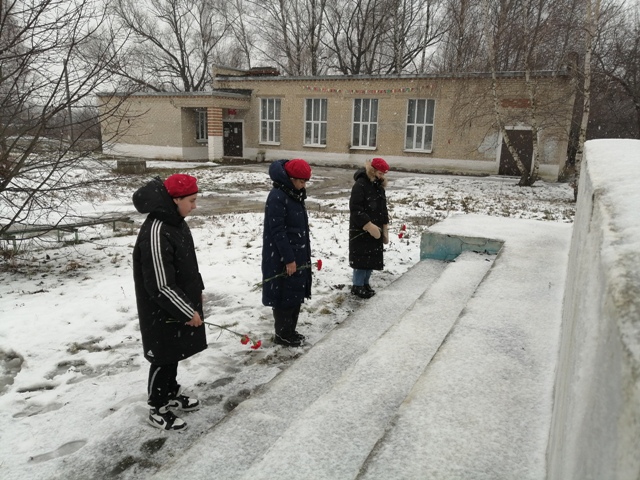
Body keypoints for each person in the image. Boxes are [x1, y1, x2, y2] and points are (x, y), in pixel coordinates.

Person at [132, 173, 207, 431]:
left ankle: (170, 393)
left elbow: (185, 263)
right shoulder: (157, 230)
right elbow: (161, 284)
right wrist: (187, 310)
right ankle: (157, 407)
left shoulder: (176, 221)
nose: (195, 206)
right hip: (161, 309)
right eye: (192, 200)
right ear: (175, 199)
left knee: (174, 351)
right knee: (162, 356)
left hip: (177, 304)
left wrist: (197, 290)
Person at [262, 159, 313, 347]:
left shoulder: (294, 194)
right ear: (290, 178)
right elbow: (278, 231)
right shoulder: (277, 196)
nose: (303, 185)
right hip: (282, 257)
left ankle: (290, 330)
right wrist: (289, 258)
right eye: (301, 181)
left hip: (298, 252)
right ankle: (282, 334)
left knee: (295, 292)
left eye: (305, 182)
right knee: (284, 295)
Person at [349, 157, 390, 299]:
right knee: (361, 259)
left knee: (371, 259)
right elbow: (355, 209)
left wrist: (385, 226)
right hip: (361, 229)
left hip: (376, 229)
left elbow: (383, 208)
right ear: (373, 171)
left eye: (383, 174)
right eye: (380, 173)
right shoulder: (360, 185)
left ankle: (365, 283)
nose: (382, 176)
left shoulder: (379, 187)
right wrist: (367, 224)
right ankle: (357, 285)